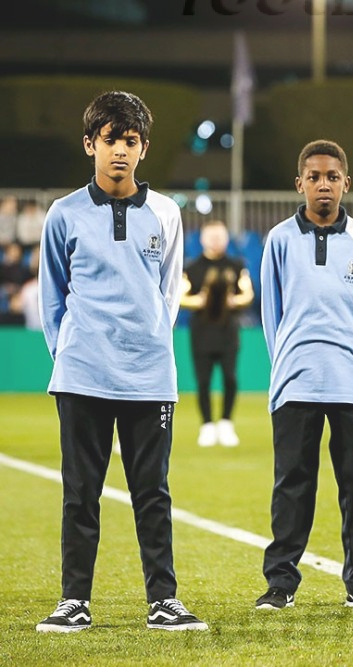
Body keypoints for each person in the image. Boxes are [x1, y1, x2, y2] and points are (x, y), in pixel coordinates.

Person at [36, 91, 207, 632]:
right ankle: (74, 601)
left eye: (130, 141)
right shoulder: (64, 214)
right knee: (80, 494)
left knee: (152, 493)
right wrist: (71, 355)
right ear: (90, 144)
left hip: (149, 377)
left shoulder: (167, 213)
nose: (120, 151)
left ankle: (163, 600)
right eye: (110, 140)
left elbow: (169, 292)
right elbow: (51, 297)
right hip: (83, 374)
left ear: (143, 148)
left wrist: (150, 340)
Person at [256, 139, 353, 612]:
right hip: (295, 380)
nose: (323, 185)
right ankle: (280, 583)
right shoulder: (279, 239)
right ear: (299, 183)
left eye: (332, 177)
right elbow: (271, 315)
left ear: (346, 183)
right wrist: (287, 363)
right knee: (292, 484)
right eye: (314, 177)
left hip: (350, 379)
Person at [180, 219, 254, 447]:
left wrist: (234, 301)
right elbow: (181, 297)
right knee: (203, 381)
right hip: (201, 332)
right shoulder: (191, 267)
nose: (215, 241)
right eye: (211, 236)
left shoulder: (236, 265)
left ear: (226, 238)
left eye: (220, 236)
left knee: (230, 378)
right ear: (203, 239)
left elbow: (248, 295)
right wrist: (199, 300)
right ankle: (207, 426)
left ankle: (226, 423)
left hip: (228, 331)